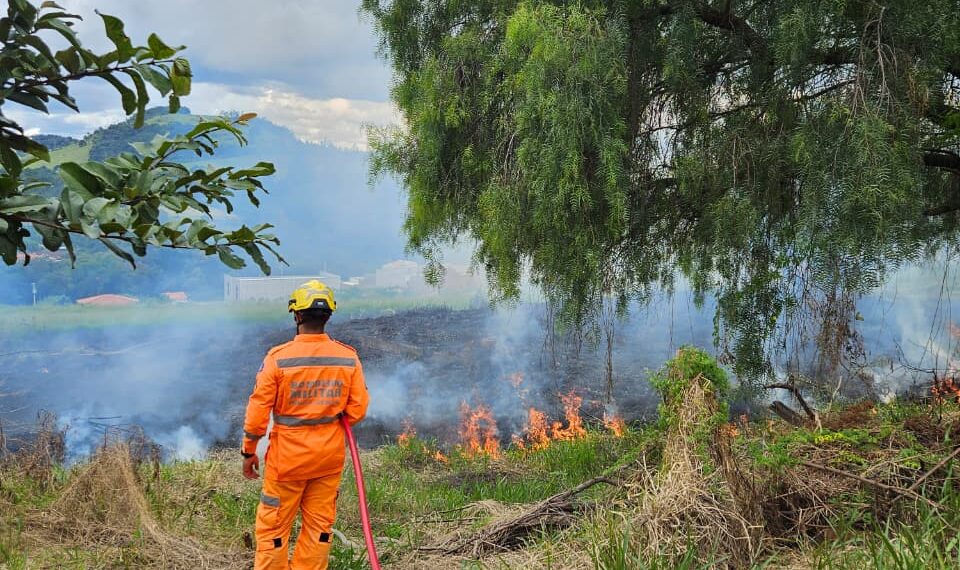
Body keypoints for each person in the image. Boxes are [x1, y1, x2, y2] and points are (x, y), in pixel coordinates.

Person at [241, 280, 369, 570]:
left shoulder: (278, 359)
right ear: (328, 316)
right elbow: (358, 409)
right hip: (328, 460)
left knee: (273, 531)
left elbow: (258, 409)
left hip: (286, 462)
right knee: (318, 530)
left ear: (296, 315)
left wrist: (249, 451)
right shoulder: (348, 357)